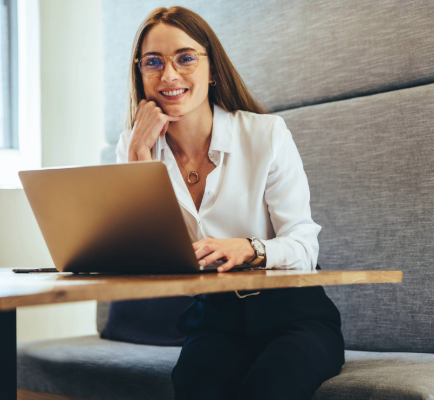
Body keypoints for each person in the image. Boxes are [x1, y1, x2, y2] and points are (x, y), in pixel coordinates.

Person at [116, 6, 345, 400]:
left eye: (185, 58)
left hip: (294, 315)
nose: (169, 75)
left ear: (212, 69)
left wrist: (250, 249)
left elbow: (305, 247)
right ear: (141, 74)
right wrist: (138, 157)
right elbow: (141, 260)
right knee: (194, 387)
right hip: (215, 320)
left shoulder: (265, 134)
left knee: (268, 387)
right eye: (153, 62)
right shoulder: (135, 148)